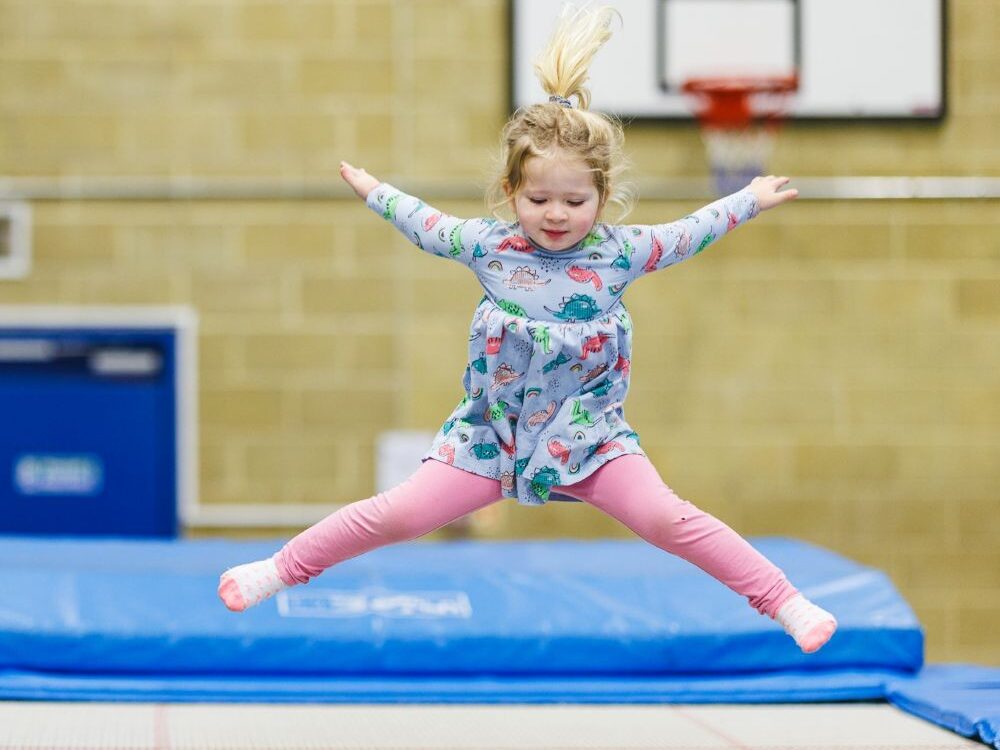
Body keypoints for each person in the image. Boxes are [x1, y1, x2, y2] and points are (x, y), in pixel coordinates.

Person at [219, 4, 837, 654]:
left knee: (667, 518)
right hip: (492, 437)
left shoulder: (618, 255)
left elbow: (686, 234)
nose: (556, 215)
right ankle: (277, 571)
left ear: (602, 197)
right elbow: (427, 225)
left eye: (576, 202)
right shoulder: (491, 248)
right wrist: (376, 191)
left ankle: (786, 603)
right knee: (398, 513)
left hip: (589, 438)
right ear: (511, 190)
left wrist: (745, 201)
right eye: (539, 199)